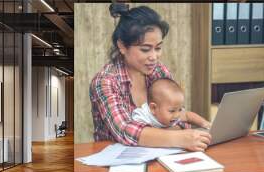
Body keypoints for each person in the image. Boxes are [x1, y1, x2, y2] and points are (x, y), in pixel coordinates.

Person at [89, 3, 211, 151]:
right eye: (145, 49)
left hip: (160, 154)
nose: (154, 57)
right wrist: (179, 138)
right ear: (121, 46)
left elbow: (179, 117)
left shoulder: (159, 70)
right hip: (116, 161)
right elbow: (125, 131)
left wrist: (163, 136)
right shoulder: (105, 81)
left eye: (158, 48)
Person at [132, 78, 211, 129]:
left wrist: (204, 123)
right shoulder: (143, 116)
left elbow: (187, 115)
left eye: (180, 109)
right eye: (172, 111)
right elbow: (142, 133)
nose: (177, 115)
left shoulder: (175, 113)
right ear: (153, 108)